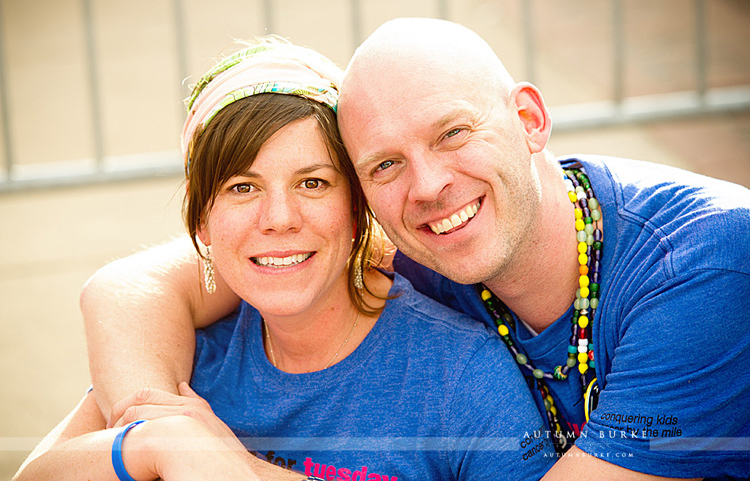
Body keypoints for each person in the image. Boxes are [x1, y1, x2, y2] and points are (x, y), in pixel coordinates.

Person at [77, 19, 749, 480]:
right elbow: (134, 285)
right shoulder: (425, 248)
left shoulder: (706, 267)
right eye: (387, 164)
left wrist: (209, 458)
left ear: (529, 120)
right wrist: (155, 422)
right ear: (363, 198)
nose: (429, 187)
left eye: (453, 133)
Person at [13, 39, 556, 481]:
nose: (278, 218)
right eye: (242, 187)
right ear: (201, 222)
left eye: (313, 182)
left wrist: (228, 467)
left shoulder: (459, 373)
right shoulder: (188, 352)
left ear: (356, 207)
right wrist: (157, 442)